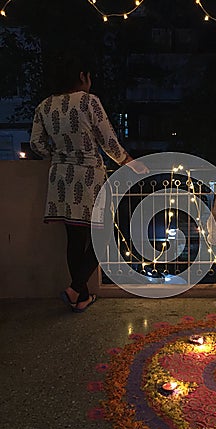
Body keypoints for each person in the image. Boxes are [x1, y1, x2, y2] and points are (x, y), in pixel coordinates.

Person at [30, 54, 148, 312]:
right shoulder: (88, 102)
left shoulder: (44, 106)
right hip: (88, 177)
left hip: (60, 178)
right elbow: (108, 140)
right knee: (104, 236)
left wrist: (60, 157)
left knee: (75, 238)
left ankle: (79, 297)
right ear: (81, 76)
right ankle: (75, 289)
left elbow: (36, 144)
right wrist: (130, 162)